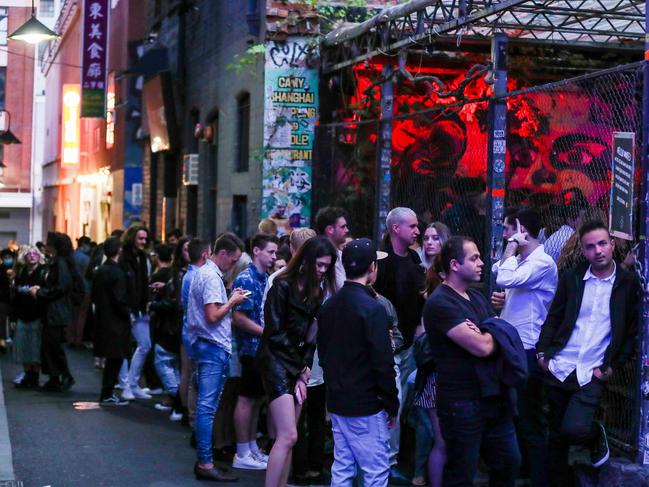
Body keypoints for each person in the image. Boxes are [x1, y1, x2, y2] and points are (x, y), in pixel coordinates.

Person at [536, 220, 640, 487]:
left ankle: (595, 436)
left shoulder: (627, 284)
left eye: (603, 243)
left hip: (592, 370)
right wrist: (543, 354)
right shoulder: (572, 278)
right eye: (591, 246)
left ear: (612, 244)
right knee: (557, 435)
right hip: (560, 365)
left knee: (575, 429)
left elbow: (630, 332)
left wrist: (612, 366)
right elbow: (554, 317)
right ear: (583, 250)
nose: (598, 251)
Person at [424, 236, 521, 487]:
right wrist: (491, 332)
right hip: (461, 402)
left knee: (509, 461)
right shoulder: (440, 303)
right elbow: (483, 346)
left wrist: (488, 329)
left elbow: (497, 330)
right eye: (474, 258)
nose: (481, 263)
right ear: (455, 265)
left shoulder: (476, 298)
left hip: (493, 398)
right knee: (461, 474)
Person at [318, 238, 398, 486]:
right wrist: (391, 401)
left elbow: (324, 352)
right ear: (372, 267)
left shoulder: (329, 305)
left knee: (343, 465)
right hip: (366, 402)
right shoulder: (372, 309)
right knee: (375, 470)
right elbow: (383, 362)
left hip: (338, 398)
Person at [257, 236, 337, 487]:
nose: (323, 270)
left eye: (327, 266)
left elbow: (311, 337)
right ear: (307, 260)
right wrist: (300, 369)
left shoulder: (317, 291)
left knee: (289, 436)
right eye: (320, 265)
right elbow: (275, 334)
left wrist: (303, 370)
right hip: (275, 361)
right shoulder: (281, 285)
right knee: (288, 435)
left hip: (296, 364)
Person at [491, 208, 557, 487]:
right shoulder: (522, 260)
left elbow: (503, 276)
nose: (505, 236)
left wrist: (512, 246)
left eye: (508, 230)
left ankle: (539, 478)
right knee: (515, 416)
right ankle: (520, 473)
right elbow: (499, 270)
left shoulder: (542, 262)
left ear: (521, 231)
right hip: (512, 344)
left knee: (529, 419)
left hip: (527, 348)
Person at [188, 232, 246, 482]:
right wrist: (232, 301)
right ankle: (205, 462)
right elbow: (212, 315)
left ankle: (206, 459)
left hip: (207, 345)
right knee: (207, 408)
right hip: (212, 346)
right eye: (232, 260)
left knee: (206, 406)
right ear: (222, 254)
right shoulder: (211, 277)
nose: (233, 265)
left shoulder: (205, 273)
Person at [374, 207, 425, 483]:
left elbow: (419, 298)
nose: (417, 231)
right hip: (389, 347)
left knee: (403, 406)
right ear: (396, 228)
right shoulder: (380, 262)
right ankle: (387, 462)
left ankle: (393, 459)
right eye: (413, 226)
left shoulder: (415, 258)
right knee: (394, 402)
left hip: (410, 345)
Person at [232, 234, 278, 470]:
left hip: (260, 348)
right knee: (247, 399)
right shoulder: (247, 279)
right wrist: (265, 333)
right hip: (251, 348)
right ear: (257, 251)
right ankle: (242, 451)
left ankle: (250, 447)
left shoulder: (264, 278)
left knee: (257, 399)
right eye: (270, 251)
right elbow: (239, 318)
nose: (274, 256)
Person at [33, 232, 80, 392]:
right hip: (53, 309)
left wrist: (41, 293)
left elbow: (62, 285)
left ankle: (63, 376)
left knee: (52, 345)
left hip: (55, 310)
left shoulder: (59, 262)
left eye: (49, 242)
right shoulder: (57, 262)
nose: (46, 245)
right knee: (49, 345)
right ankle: (55, 377)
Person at [92, 238, 131, 406]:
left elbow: (94, 295)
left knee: (111, 358)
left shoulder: (100, 270)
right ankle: (107, 393)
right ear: (119, 251)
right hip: (117, 321)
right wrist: (128, 314)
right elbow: (120, 299)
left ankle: (106, 391)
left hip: (102, 318)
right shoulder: (118, 273)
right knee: (116, 357)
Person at [149, 244, 183, 419]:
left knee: (163, 359)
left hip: (174, 326)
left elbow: (174, 303)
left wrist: (154, 304)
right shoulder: (176, 274)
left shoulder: (180, 274)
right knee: (174, 364)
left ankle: (177, 396)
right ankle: (176, 399)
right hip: (176, 327)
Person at [120, 225, 154, 400]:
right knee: (128, 347)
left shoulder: (142, 257)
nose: (143, 241)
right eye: (140, 238)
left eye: (145, 238)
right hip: (129, 307)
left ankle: (131, 383)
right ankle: (127, 384)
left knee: (144, 345)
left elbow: (141, 282)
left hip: (139, 306)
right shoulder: (125, 257)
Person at [180, 238, 210, 431]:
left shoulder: (189, 275)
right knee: (192, 376)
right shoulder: (196, 276)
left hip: (189, 329)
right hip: (194, 331)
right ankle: (190, 415)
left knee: (190, 374)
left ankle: (188, 413)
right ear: (205, 255)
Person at [12, 246, 46, 389]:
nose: (32, 256)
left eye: (35, 254)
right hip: (22, 315)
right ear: (24, 258)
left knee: (36, 347)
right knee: (23, 346)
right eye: (29, 254)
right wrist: (13, 318)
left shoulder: (43, 273)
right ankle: (27, 374)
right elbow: (15, 298)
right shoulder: (21, 274)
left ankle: (35, 376)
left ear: (39, 257)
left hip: (37, 316)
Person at [543, 192, 587, 262]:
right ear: (570, 219)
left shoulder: (563, 232)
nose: (585, 221)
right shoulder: (570, 236)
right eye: (583, 218)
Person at [314, 206, 350, 290]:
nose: (347, 230)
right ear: (330, 229)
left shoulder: (342, 256)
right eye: (343, 227)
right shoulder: (313, 254)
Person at [69, 236, 92, 346]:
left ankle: (70, 338)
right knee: (81, 315)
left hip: (72, 289)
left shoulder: (71, 256)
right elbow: (88, 274)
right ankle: (78, 339)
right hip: (85, 288)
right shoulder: (86, 259)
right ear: (85, 245)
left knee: (72, 315)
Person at [0, 248, 14, 353]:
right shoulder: (0, 269)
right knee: (2, 321)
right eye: (5, 258)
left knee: (13, 322)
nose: (7, 259)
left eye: (9, 257)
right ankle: (2, 342)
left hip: (15, 301)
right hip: (3, 299)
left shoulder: (17, 269)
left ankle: (14, 342)